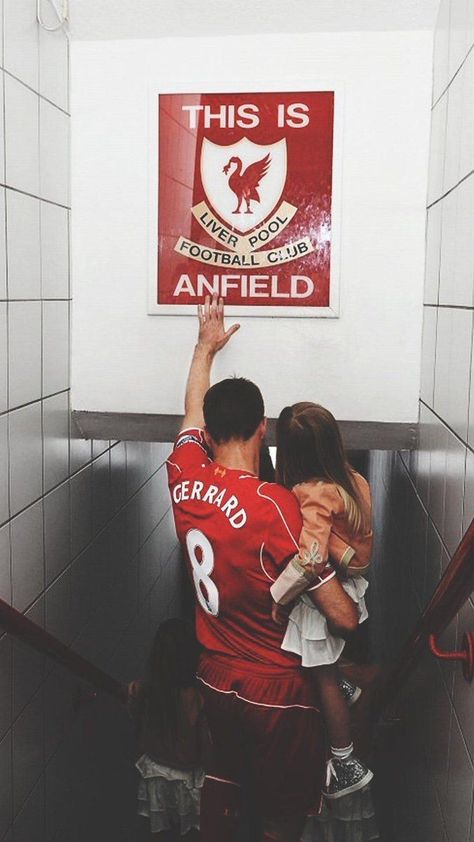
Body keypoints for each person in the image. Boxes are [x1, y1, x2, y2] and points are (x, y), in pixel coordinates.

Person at [166, 295, 358, 842]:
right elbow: (341, 619)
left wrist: (205, 347)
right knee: (282, 817)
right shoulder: (274, 505)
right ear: (263, 430)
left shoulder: (183, 476)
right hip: (275, 688)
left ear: (207, 433)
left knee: (223, 792)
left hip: (214, 678)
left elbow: (188, 413)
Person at [270, 402, 374, 799]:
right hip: (355, 582)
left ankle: (346, 762)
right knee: (325, 670)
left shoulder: (314, 493)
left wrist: (279, 596)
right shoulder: (353, 479)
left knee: (322, 675)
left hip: (333, 592)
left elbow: (311, 561)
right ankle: (346, 688)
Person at [128, 619, 213, 840]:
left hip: (155, 772)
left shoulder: (144, 688)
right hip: (188, 776)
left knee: (160, 829)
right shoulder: (195, 696)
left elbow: (136, 720)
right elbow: (203, 741)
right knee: (193, 829)